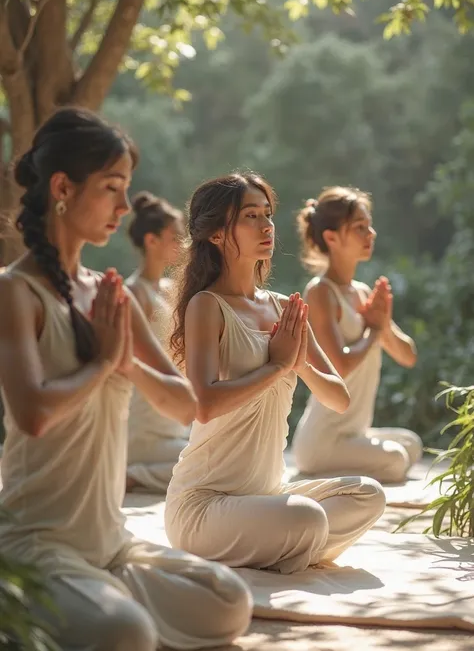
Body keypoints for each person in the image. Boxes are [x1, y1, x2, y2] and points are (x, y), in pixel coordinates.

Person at [0, 108, 252, 651]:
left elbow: (186, 406)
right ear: (63, 187)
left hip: (111, 542)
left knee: (230, 600)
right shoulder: (15, 291)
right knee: (125, 632)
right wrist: (101, 363)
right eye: (112, 188)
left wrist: (126, 362)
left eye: (126, 189)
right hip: (37, 541)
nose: (122, 206)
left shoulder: (107, 295)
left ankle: (93, 600)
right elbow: (32, 414)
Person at [164, 173, 386, 574]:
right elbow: (206, 404)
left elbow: (338, 397)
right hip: (205, 505)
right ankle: (283, 543)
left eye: (267, 214)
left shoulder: (285, 307)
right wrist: (278, 366)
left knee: (367, 494)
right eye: (251, 216)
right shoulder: (207, 306)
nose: (266, 225)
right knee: (306, 518)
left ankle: (276, 545)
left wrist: (299, 364)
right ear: (216, 233)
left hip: (268, 495)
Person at [292, 187, 422, 484]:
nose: (371, 233)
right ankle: (311, 476)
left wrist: (383, 324)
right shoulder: (320, 292)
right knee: (396, 460)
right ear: (331, 237)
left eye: (369, 225)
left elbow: (408, 356)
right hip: (325, 440)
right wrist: (373, 329)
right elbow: (339, 365)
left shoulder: (362, 293)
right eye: (360, 227)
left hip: (356, 434)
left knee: (411, 445)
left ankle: (329, 472)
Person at [126, 192, 189, 493]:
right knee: (206, 463)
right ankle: (133, 475)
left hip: (173, 419)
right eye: (174, 236)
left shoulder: (169, 288)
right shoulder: (132, 293)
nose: (182, 242)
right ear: (151, 241)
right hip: (146, 424)